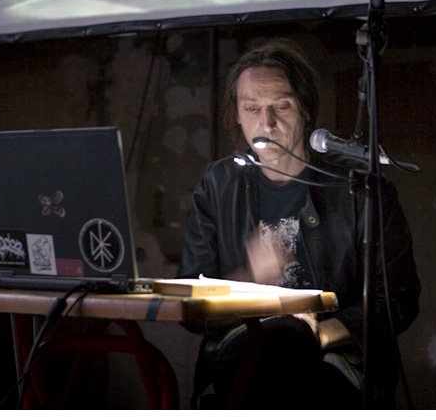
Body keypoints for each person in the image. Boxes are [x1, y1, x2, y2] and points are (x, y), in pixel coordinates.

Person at [177, 38, 421, 409]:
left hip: (334, 355)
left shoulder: (360, 189)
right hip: (244, 349)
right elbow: (191, 309)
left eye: (282, 106)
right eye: (252, 108)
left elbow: (397, 299)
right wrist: (248, 277)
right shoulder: (218, 184)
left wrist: (321, 333)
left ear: (306, 110)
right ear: (237, 115)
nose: (267, 123)